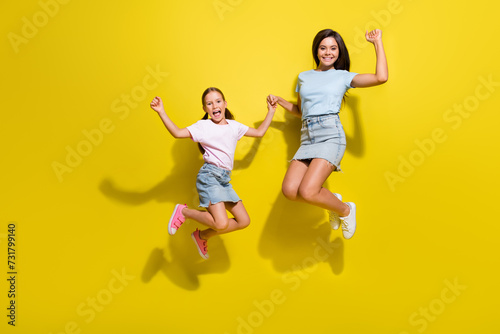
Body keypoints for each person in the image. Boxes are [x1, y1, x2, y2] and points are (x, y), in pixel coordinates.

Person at [268, 29, 388, 239]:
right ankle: (333, 200)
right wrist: (280, 101)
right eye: (323, 48)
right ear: (316, 50)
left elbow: (381, 77)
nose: (328, 52)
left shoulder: (342, 76)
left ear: (339, 52)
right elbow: (300, 111)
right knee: (289, 190)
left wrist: (377, 42)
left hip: (330, 134)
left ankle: (345, 209)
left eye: (333, 48)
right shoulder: (304, 77)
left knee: (307, 191)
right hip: (307, 137)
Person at [150, 87, 276, 259]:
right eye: (209, 103)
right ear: (205, 109)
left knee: (244, 221)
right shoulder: (203, 126)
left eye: (218, 101)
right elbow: (178, 133)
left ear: (225, 104)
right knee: (221, 223)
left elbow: (259, 132)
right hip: (209, 177)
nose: (214, 106)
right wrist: (161, 112)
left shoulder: (234, 126)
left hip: (224, 180)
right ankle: (183, 212)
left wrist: (271, 111)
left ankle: (202, 236)